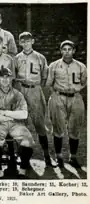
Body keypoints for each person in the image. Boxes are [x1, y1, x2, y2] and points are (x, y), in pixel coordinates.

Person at [46, 40, 86, 169]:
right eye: (64, 49)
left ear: (74, 51)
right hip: (59, 96)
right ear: (60, 51)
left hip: (75, 97)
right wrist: (55, 95)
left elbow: (85, 82)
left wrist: (77, 89)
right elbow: (49, 83)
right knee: (58, 129)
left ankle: (73, 157)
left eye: (70, 49)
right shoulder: (54, 65)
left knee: (75, 129)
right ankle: (59, 157)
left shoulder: (81, 66)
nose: (67, 51)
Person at [0, 67, 34, 178]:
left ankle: (22, 170)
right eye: (2, 77)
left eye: (7, 77)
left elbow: (24, 114)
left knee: (28, 140)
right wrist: (12, 115)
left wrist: (5, 112)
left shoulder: (18, 94)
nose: (5, 80)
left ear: (11, 79)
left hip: (16, 124)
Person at [15, 32, 52, 166]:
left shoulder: (40, 57)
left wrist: (36, 88)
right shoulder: (17, 58)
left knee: (39, 123)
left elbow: (44, 77)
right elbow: (13, 75)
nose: (26, 43)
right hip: (21, 89)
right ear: (20, 43)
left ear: (33, 41)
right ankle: (22, 156)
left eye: (28, 41)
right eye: (23, 41)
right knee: (21, 124)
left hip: (35, 89)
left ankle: (47, 155)